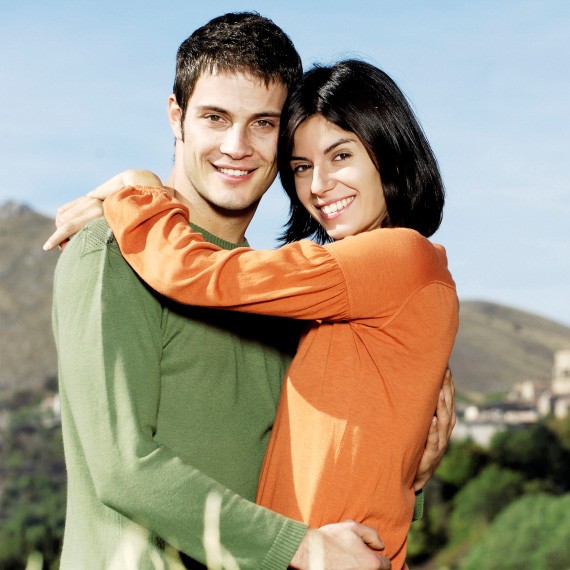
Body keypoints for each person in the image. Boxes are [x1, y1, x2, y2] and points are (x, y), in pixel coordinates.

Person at [48, 12, 455, 570]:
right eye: (215, 117)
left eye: (263, 124)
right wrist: (139, 193)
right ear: (177, 117)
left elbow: (317, 454)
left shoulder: (286, 296)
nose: (237, 146)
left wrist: (414, 472)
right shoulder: (109, 250)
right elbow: (121, 466)